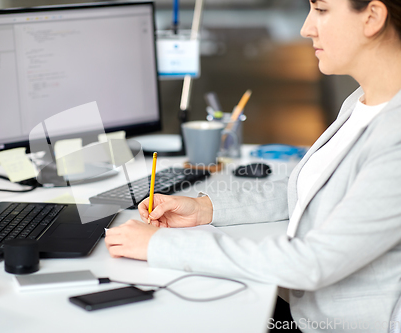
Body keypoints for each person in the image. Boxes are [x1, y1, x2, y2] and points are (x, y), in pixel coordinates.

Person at [105, 0, 401, 331]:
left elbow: (313, 262)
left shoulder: (396, 136)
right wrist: (205, 208)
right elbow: (317, 192)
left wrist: (160, 246)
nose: (306, 28)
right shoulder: (363, 100)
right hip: (303, 308)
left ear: (372, 16)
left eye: (321, 10)